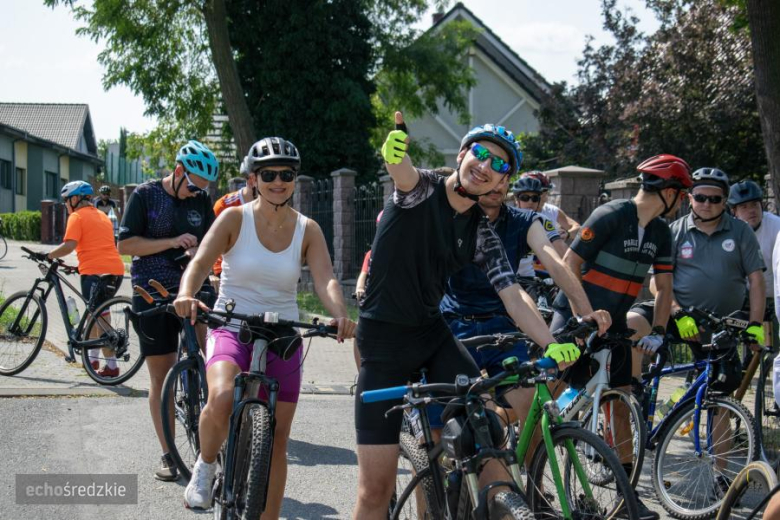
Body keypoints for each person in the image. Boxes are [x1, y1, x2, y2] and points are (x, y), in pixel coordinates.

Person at [352, 113, 598, 519]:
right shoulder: (423, 189)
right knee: (375, 492)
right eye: (480, 154)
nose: (486, 166)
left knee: (489, 440)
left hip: (433, 336)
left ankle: (500, 504)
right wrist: (395, 153)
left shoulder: (482, 233)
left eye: (499, 165)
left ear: (504, 182)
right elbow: (403, 173)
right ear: (462, 154)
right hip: (382, 345)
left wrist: (551, 345)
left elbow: (513, 296)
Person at [172, 137, 356, 517]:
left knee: (277, 440)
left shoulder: (308, 229)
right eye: (268, 174)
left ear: (294, 179)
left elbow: (326, 279)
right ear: (253, 179)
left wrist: (340, 314)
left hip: (283, 334)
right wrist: (187, 293)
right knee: (222, 397)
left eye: (286, 174)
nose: (278, 182)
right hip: (232, 323)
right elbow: (200, 262)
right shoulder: (234, 219)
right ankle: (206, 465)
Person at [554, 154, 695, 519]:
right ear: (668, 191)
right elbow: (570, 263)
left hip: (614, 322)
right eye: (682, 194)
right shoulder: (610, 215)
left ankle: (625, 497)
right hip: (575, 315)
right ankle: (523, 472)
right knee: (545, 394)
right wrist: (583, 314)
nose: (683, 202)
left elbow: (664, 287)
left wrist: (659, 331)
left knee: (621, 403)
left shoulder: (661, 232)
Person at [440, 171, 611, 465]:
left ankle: (532, 485)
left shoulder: (523, 220)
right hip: (455, 324)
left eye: (504, 178)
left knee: (533, 407)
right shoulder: (455, 218)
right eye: (490, 177)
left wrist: (586, 313)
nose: (497, 185)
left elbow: (555, 261)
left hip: (503, 324)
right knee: (464, 424)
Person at [627, 167, 765, 496]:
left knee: (720, 399)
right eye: (700, 197)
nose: (706, 204)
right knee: (631, 323)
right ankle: (631, 393)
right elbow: (656, 283)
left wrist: (756, 325)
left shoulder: (741, 232)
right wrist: (676, 311)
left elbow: (756, 280)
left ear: (725, 202)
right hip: (678, 315)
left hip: (720, 326)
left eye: (714, 199)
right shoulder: (673, 230)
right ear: (690, 198)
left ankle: (721, 475)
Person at [117, 139, 219, 482]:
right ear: (177, 172)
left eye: (202, 188)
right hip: (152, 290)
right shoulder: (145, 196)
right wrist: (172, 242)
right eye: (192, 186)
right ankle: (168, 454)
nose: (196, 193)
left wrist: (199, 253)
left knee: (212, 360)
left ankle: (214, 444)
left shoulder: (201, 200)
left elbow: (213, 241)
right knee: (161, 378)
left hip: (194, 287)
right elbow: (125, 244)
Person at [47, 181, 125, 376]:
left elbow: (69, 246)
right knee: (94, 314)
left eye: (66, 200)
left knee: (100, 316)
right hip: (115, 271)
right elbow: (97, 245)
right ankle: (92, 360)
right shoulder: (102, 216)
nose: (66, 204)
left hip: (96, 273)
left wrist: (48, 255)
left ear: (75, 198)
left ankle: (112, 367)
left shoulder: (77, 216)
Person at [729, 180, 780, 344]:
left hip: (774, 296)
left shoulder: (776, 227)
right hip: (743, 298)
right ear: (734, 211)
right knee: (742, 344)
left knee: (774, 345)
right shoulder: (729, 231)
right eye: (744, 207)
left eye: (754, 205)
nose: (751, 211)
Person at [210, 156, 257, 292]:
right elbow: (212, 245)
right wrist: (214, 273)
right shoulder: (224, 206)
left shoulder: (275, 208)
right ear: (251, 180)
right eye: (268, 177)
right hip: (229, 276)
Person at [512, 175, 568, 280]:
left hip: (528, 278)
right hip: (505, 280)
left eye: (535, 198)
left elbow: (561, 250)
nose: (530, 202)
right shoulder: (504, 219)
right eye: (525, 198)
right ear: (516, 199)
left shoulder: (543, 220)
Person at [521, 170, 580, 241]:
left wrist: (567, 234)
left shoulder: (552, 211)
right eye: (525, 196)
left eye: (546, 193)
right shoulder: (513, 215)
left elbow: (578, 229)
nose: (545, 199)